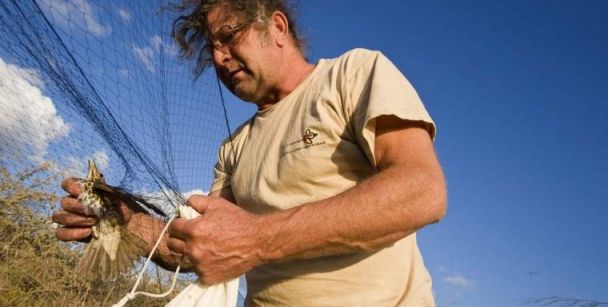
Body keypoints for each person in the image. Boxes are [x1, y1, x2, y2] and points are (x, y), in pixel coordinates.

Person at [52, 0, 447, 306]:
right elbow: (198, 248)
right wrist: (126, 221)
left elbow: (421, 190)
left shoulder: (354, 74)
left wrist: (258, 238)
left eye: (230, 35)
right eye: (212, 49)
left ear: (276, 26)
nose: (220, 58)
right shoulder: (233, 149)